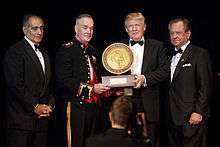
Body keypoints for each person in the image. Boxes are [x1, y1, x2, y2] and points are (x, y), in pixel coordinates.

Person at [55, 14, 110, 147]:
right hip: (76, 107)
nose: (89, 31)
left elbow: (96, 77)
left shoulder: (92, 50)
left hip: (93, 108)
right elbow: (64, 81)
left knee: (91, 143)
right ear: (76, 28)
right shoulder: (66, 50)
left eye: (91, 28)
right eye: (85, 28)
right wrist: (92, 90)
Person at [118, 12, 169, 147]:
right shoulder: (117, 47)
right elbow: (109, 71)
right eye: (130, 26)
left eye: (137, 25)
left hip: (150, 99)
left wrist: (145, 78)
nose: (134, 28)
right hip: (125, 97)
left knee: (152, 139)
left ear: (144, 27)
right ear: (126, 28)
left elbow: (165, 70)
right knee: (127, 139)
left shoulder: (157, 46)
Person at [3, 14, 55, 147]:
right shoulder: (15, 51)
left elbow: (49, 85)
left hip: (41, 121)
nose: (40, 32)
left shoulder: (44, 53)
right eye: (35, 28)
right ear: (25, 30)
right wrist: (35, 106)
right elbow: (16, 86)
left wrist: (50, 105)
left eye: (42, 28)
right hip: (21, 122)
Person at [167, 17, 212, 147]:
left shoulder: (200, 53)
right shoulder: (167, 55)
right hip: (172, 118)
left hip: (192, 117)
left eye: (178, 32)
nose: (175, 36)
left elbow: (206, 86)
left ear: (188, 33)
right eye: (172, 33)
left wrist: (199, 112)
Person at [85, 96, 151, 147]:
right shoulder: (140, 145)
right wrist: (145, 132)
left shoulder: (91, 143)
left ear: (110, 115)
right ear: (132, 118)